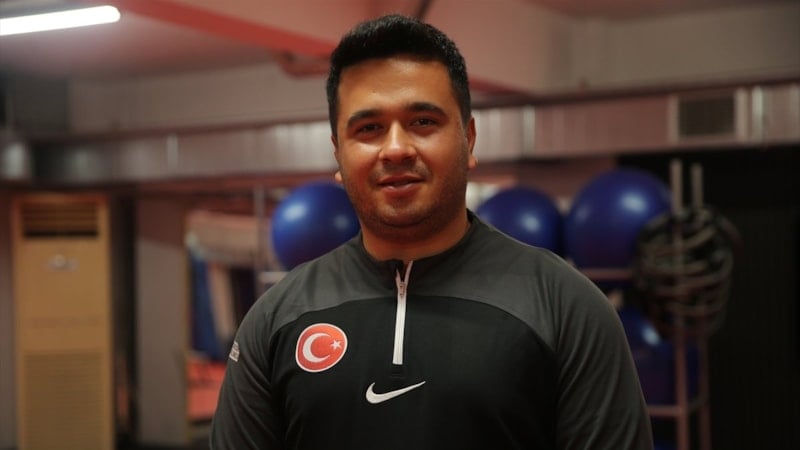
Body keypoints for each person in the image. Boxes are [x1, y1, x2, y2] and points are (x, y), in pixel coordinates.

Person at [210, 13, 653, 449]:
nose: (396, 148)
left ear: (469, 139)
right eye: (369, 128)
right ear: (338, 154)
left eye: (423, 121)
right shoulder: (276, 319)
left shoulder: (566, 306)